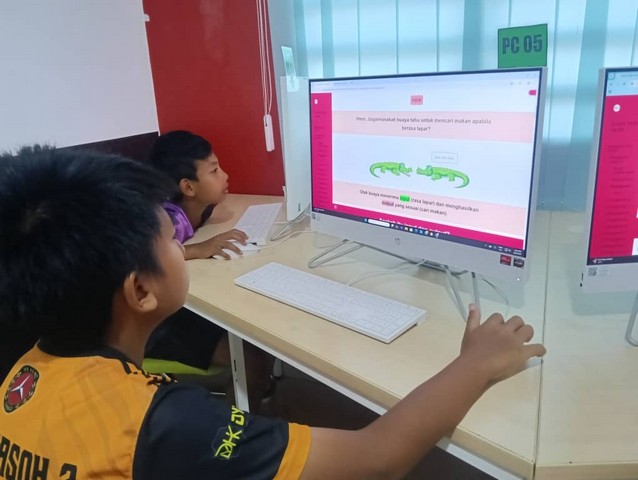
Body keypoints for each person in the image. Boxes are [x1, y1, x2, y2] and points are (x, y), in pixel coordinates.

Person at [0, 146, 546, 479]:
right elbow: (378, 458)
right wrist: (476, 362)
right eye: (172, 239)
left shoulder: (21, 379)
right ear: (140, 290)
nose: (183, 247)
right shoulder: (167, 426)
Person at [144, 130, 274, 412]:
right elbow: (146, 258)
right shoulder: (167, 220)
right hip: (153, 325)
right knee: (255, 354)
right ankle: (234, 427)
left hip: (173, 306)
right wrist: (197, 249)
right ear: (188, 188)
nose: (225, 176)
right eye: (214, 171)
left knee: (260, 334)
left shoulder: (198, 209)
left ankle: (256, 389)